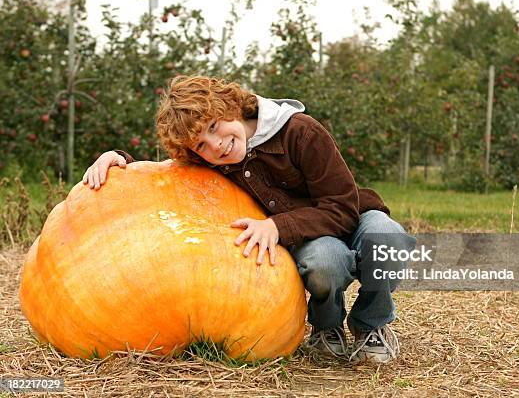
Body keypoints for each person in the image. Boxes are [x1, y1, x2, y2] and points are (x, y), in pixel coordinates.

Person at [82, 75, 416, 364]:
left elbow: (342, 208)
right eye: (202, 144)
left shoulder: (300, 132)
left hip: (353, 215)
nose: (217, 145)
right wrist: (119, 159)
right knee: (325, 261)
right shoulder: (213, 162)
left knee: (388, 238)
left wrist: (276, 226)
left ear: (230, 107)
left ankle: (370, 325)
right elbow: (165, 175)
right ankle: (326, 327)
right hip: (312, 239)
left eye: (214, 126)